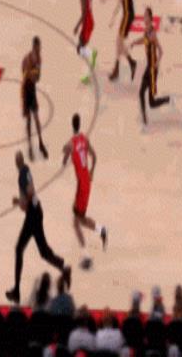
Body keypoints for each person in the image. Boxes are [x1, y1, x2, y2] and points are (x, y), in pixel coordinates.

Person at [6, 151, 70, 304]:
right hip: (35, 212)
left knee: (19, 249)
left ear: (17, 162)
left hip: (33, 215)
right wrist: (20, 202)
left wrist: (20, 202)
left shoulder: (22, 175)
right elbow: (29, 195)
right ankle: (62, 267)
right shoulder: (26, 171)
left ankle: (16, 291)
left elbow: (30, 192)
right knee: (42, 251)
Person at [63, 114, 107, 270]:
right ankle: (101, 230)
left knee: (76, 223)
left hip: (82, 186)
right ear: (79, 124)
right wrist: (92, 172)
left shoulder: (71, 143)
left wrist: (65, 157)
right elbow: (94, 157)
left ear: (71, 125)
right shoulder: (84, 139)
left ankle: (87, 256)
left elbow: (65, 152)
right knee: (79, 220)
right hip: (86, 183)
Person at [130, 7, 171, 127]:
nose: (143, 17)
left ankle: (167, 99)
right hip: (148, 67)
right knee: (141, 92)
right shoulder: (146, 30)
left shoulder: (152, 33)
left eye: (145, 15)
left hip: (152, 70)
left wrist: (157, 63)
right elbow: (143, 40)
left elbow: (161, 51)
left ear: (150, 18)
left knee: (152, 103)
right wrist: (134, 43)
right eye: (144, 15)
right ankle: (144, 117)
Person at [101, 0, 137, 82]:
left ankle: (118, 69)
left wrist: (113, 17)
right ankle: (131, 62)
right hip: (128, 14)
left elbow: (120, 0)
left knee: (118, 42)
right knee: (119, 43)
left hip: (128, 15)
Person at [22, 36, 49, 161]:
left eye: (40, 48)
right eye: (38, 47)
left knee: (37, 119)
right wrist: (33, 74)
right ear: (34, 47)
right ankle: (30, 147)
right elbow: (28, 77)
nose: (40, 49)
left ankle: (40, 143)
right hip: (26, 90)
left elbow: (38, 78)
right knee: (29, 120)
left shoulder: (38, 58)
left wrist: (36, 74)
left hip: (32, 89)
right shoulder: (28, 59)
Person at [74, 0, 98, 85]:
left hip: (87, 21)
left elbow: (84, 12)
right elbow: (90, 0)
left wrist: (77, 26)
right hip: (89, 20)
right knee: (81, 47)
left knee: (81, 48)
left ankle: (88, 75)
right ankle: (88, 72)